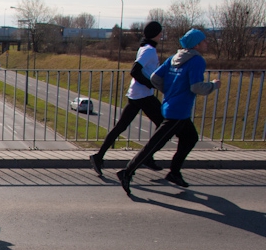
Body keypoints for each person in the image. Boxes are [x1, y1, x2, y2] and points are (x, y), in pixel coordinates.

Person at [117, 28, 220, 195]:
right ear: (196, 44)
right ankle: (127, 172)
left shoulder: (174, 58)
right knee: (155, 144)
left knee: (190, 137)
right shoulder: (197, 61)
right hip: (179, 111)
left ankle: (174, 172)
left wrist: (169, 90)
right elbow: (196, 87)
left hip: (172, 106)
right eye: (204, 41)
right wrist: (214, 85)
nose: (207, 43)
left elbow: (155, 78)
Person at [90, 21, 164, 177]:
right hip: (143, 95)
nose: (162, 35)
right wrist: (151, 84)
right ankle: (147, 156)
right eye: (160, 33)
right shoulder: (149, 50)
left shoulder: (145, 48)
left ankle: (98, 157)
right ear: (156, 34)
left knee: (121, 126)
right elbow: (135, 71)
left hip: (137, 94)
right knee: (164, 124)